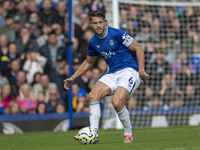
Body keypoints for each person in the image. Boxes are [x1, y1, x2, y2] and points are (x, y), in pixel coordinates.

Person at [64, 10, 148, 143]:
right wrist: (73, 77)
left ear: (105, 22)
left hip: (129, 71)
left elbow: (138, 48)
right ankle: (94, 134)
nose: (98, 25)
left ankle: (128, 134)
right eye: (95, 23)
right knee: (92, 95)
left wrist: (141, 70)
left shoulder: (117, 34)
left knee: (116, 102)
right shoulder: (93, 42)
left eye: (100, 22)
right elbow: (89, 62)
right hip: (112, 73)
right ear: (91, 25)